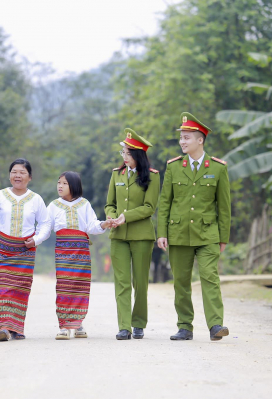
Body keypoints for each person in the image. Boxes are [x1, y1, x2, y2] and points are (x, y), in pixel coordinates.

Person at [157, 112, 231, 341]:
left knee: (210, 277)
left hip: (208, 233)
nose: (182, 142)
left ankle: (216, 325)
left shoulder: (218, 168)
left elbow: (224, 207)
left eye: (187, 137)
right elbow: (165, 202)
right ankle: (185, 327)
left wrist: (223, 238)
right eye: (181, 138)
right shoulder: (173, 167)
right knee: (181, 282)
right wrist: (162, 233)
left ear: (200, 140)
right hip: (178, 233)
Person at [37, 171, 111, 340]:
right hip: (63, 251)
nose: (60, 186)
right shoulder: (53, 205)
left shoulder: (84, 204)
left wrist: (104, 224)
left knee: (80, 286)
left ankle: (77, 323)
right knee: (64, 286)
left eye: (64, 183)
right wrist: (34, 239)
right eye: (58, 183)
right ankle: (63, 325)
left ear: (74, 185)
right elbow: (46, 228)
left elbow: (92, 225)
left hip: (81, 252)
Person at [0, 158, 51, 341]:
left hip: (24, 251)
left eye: (22, 172)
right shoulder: (0, 196)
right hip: (2, 249)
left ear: (29, 177)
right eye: (14, 172)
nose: (17, 176)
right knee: (2, 289)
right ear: (9, 175)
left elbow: (46, 224)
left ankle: (17, 327)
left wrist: (36, 240)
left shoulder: (36, 199)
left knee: (20, 289)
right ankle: (5, 328)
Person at [105, 128, 160, 340]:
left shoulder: (152, 177)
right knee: (122, 282)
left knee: (140, 282)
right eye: (123, 153)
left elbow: (149, 207)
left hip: (142, 236)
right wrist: (111, 217)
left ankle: (138, 323)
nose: (124, 157)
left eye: (128, 153)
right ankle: (124, 326)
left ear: (138, 155)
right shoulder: (115, 175)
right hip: (118, 236)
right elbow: (110, 203)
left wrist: (125, 216)